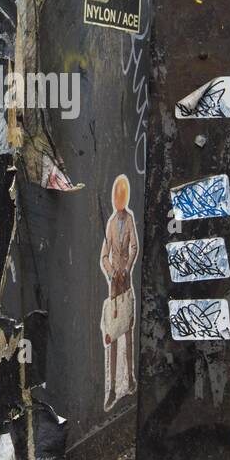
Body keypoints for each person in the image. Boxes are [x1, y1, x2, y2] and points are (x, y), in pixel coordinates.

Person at [99, 174, 138, 412]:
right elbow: (104, 256)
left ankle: (131, 377)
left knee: (129, 331)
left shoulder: (130, 219)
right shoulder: (111, 223)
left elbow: (134, 246)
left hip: (127, 282)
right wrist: (113, 271)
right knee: (114, 335)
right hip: (115, 286)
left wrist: (126, 267)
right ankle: (112, 388)